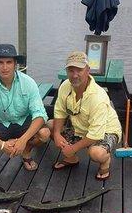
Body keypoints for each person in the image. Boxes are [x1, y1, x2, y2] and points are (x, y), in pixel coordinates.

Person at [47, 51, 122, 180]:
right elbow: (59, 111)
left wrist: (73, 147)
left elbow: (96, 134)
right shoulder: (65, 85)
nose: (75, 75)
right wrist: (57, 134)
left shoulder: (98, 97)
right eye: (71, 70)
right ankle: (72, 158)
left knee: (96, 153)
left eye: (79, 70)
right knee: (51, 126)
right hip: (80, 128)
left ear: (88, 70)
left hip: (105, 131)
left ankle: (105, 161)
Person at [0, 44, 50, 171]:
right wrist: (2, 145)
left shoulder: (29, 82)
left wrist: (23, 140)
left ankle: (26, 151)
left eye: (9, 62)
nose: (5, 67)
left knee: (44, 133)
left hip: (23, 122)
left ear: (15, 64)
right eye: (1, 62)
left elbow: (41, 115)